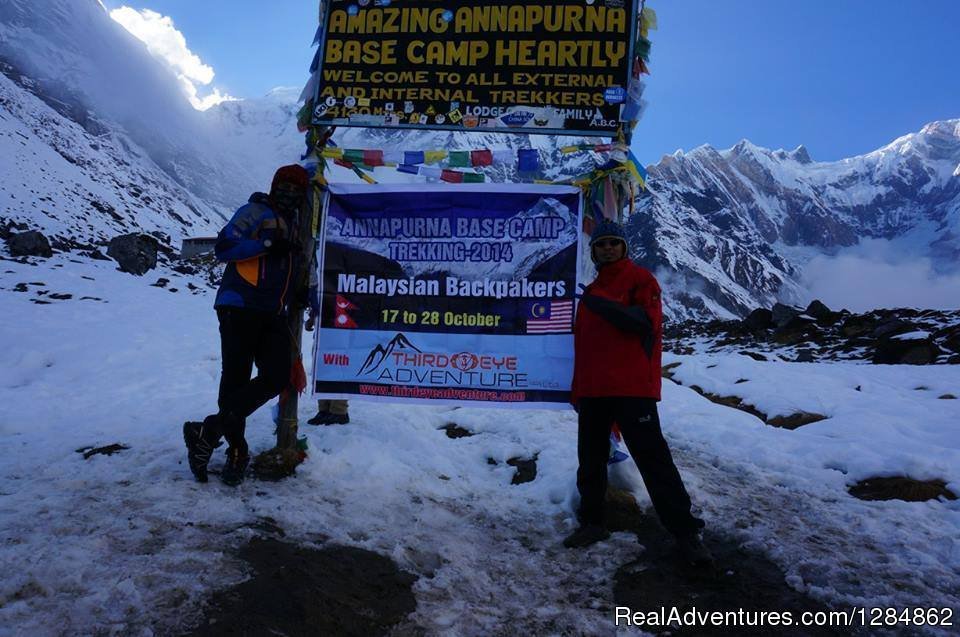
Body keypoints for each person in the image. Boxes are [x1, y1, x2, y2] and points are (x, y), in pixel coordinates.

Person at [565, 220, 713, 566]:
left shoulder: (640, 280)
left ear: (624, 247)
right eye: (601, 244)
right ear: (594, 250)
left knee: (653, 460)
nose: (608, 249)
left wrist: (594, 301)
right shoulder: (592, 289)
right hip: (594, 388)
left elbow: (644, 321)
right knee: (590, 459)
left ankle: (686, 533)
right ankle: (593, 522)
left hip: (632, 387)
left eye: (614, 243)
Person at [183, 164, 312, 486]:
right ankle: (237, 452)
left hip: (272, 312)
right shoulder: (254, 211)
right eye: (284, 186)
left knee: (276, 376)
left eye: (296, 189)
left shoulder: (296, 225)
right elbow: (224, 247)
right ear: (274, 186)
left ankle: (208, 430)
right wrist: (266, 245)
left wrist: (299, 293)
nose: (289, 193)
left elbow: (289, 267)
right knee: (236, 380)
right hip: (239, 306)